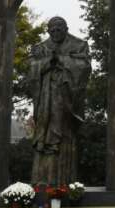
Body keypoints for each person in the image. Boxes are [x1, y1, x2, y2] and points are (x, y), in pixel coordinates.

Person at [28, 16, 91, 185]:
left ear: (66, 29)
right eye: (52, 30)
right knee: (44, 135)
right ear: (48, 31)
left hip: (66, 100)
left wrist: (61, 59)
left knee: (65, 136)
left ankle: (65, 183)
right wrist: (48, 61)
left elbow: (84, 67)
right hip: (45, 100)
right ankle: (41, 181)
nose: (56, 32)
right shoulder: (40, 47)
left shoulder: (79, 45)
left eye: (59, 29)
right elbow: (32, 70)